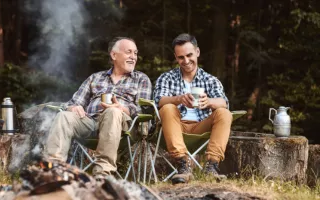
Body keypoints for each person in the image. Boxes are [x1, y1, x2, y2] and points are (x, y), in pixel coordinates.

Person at [45, 37, 152, 179]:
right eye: (129, 52)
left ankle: (103, 173)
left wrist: (122, 108)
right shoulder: (95, 78)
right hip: (91, 122)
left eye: (135, 53)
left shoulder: (141, 79)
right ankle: (53, 171)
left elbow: (144, 111)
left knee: (113, 111)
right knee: (64, 116)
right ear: (114, 55)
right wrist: (74, 108)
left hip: (123, 126)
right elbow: (72, 102)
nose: (133, 57)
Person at [153, 33, 232, 184]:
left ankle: (212, 166)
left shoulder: (210, 79)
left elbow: (224, 102)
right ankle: (183, 165)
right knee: (167, 107)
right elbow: (158, 100)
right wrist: (178, 99)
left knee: (224, 113)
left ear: (197, 52)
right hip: (175, 127)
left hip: (201, 127)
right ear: (176, 58)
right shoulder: (167, 78)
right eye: (181, 57)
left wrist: (209, 101)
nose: (186, 61)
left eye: (189, 55)